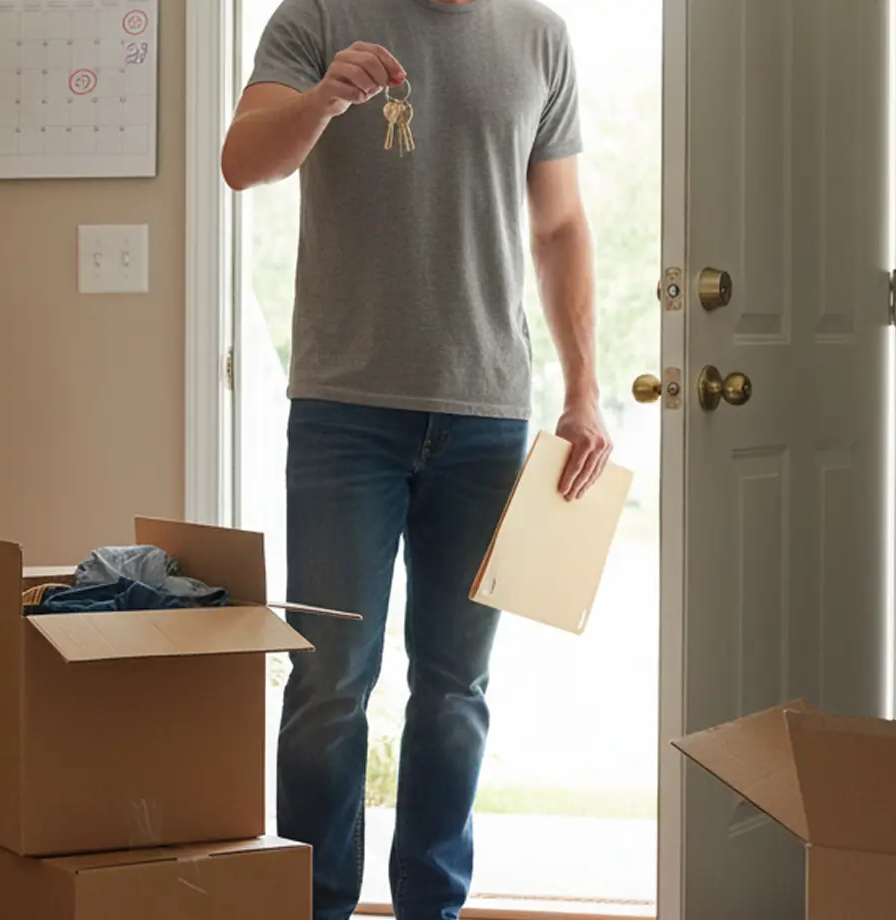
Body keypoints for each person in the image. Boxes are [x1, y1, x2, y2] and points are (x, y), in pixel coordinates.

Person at [221, 2, 609, 917]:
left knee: (454, 690)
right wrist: (321, 101)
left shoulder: (542, 38)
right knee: (329, 680)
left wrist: (583, 389)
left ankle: (431, 907)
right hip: (344, 415)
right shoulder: (319, 14)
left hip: (487, 418)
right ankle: (314, 906)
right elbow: (242, 162)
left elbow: (559, 225)